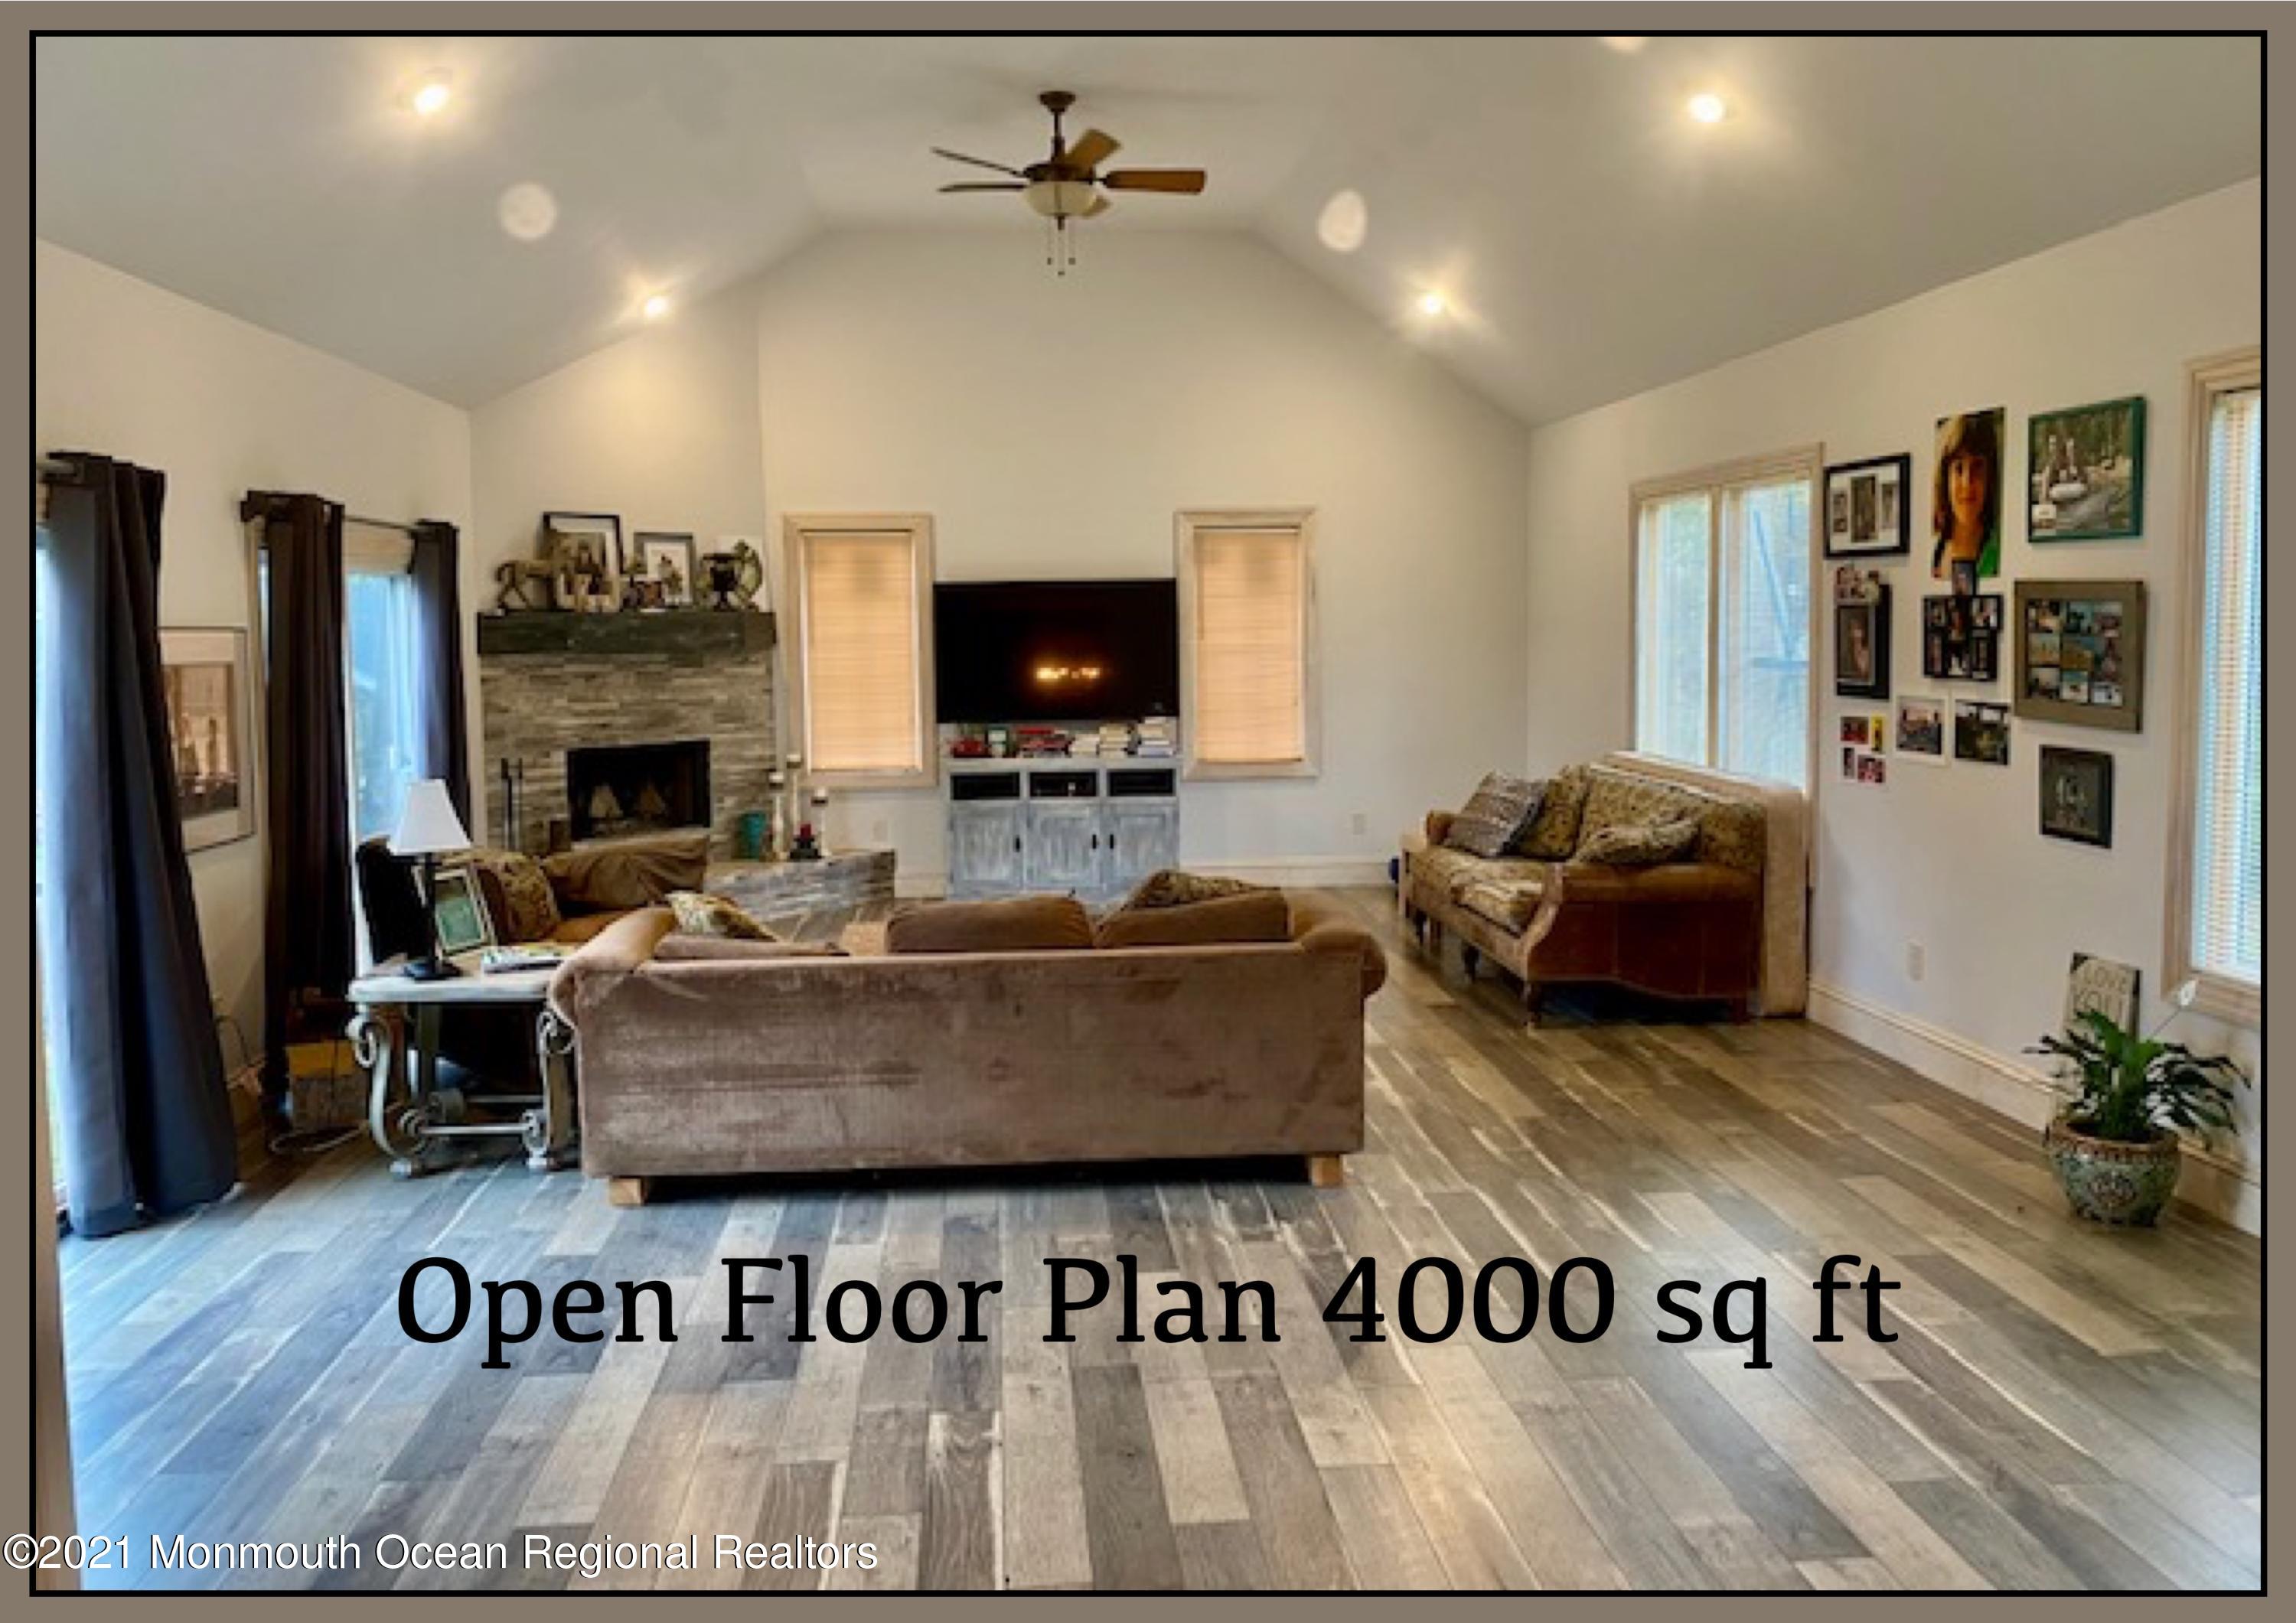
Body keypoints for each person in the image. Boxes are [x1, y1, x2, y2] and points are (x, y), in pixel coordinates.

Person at [1932, 411, 2001, 579]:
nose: (1966, 483)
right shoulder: (1934, 550)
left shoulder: (1999, 553)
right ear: (1945, 478)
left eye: (1977, 467)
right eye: (1958, 468)